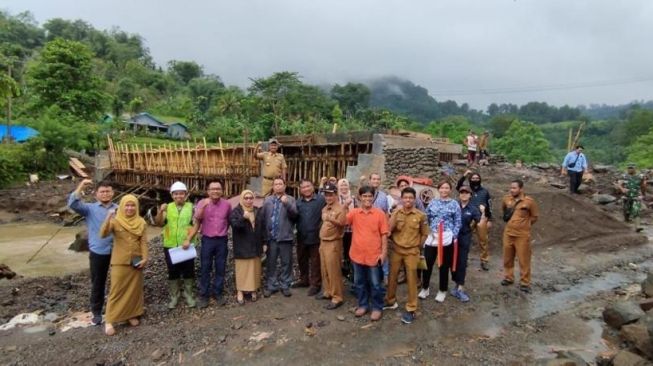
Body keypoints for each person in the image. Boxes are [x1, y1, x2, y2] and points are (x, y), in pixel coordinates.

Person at [67, 179, 118, 326]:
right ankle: (96, 312)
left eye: (108, 191)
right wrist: (81, 185)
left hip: (117, 251)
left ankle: (118, 309)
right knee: (98, 282)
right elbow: (72, 204)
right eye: (102, 191)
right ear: (96, 194)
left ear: (113, 193)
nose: (105, 194)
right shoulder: (90, 209)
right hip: (98, 251)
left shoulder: (119, 208)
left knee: (118, 281)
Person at [99, 195, 148, 336]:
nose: (130, 208)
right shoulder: (116, 221)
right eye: (127, 205)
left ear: (136, 207)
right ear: (121, 206)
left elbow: (143, 242)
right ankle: (109, 320)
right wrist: (108, 218)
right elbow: (102, 234)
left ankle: (130, 315)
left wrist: (145, 258)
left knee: (134, 290)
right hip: (119, 261)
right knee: (116, 290)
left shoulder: (141, 222)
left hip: (136, 261)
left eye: (132, 205)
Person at [384, 187, 429, 324]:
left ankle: (411, 308)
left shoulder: (421, 215)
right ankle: (391, 301)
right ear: (401, 199)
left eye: (410, 198)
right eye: (405, 198)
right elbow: (389, 230)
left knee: (411, 280)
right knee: (392, 277)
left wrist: (417, 247)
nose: (408, 200)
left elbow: (424, 234)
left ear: (414, 199)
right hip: (396, 250)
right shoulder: (397, 213)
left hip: (411, 252)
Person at [347, 186, 389, 321]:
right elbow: (342, 222)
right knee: (359, 282)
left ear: (373, 197)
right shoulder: (354, 213)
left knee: (376, 284)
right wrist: (344, 206)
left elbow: (384, 235)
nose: (367, 199)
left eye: (369, 196)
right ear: (360, 198)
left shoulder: (380, 214)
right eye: (364, 196)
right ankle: (363, 305)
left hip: (374, 256)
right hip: (357, 255)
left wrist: (384, 253)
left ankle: (377, 307)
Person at [154, 181, 196, 309]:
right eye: (176, 194)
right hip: (170, 244)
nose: (179, 196)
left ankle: (189, 295)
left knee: (189, 270)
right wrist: (160, 212)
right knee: (173, 271)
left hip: (187, 244)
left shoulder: (192, 207)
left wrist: (188, 239)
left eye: (181, 193)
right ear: (172, 195)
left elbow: (196, 225)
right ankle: (174, 296)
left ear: (186, 194)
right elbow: (159, 223)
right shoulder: (167, 207)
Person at [189, 181, 232, 308]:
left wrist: (223, 231)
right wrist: (203, 207)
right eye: (212, 189)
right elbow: (197, 219)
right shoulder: (202, 202)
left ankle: (218, 293)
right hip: (207, 239)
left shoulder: (227, 204)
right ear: (208, 191)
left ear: (222, 191)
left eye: (218, 189)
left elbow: (229, 221)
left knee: (221, 267)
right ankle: (204, 294)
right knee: (205, 267)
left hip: (222, 240)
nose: (215, 191)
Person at [421, 181, 462, 303]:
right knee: (427, 263)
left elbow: (458, 221)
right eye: (442, 187)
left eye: (447, 188)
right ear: (438, 189)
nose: (444, 190)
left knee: (443, 265)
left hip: (446, 237)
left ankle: (442, 290)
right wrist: (428, 231)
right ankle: (425, 288)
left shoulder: (454, 204)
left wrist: (453, 235)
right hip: (433, 236)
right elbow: (427, 217)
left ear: (450, 190)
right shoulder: (433, 202)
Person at [261, 177, 298, 297]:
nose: (278, 186)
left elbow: (295, 216)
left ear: (284, 186)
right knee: (271, 263)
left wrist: (286, 203)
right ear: (273, 187)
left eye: (280, 184)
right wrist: (264, 239)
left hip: (285, 237)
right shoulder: (267, 200)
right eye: (275, 184)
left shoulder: (291, 199)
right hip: (271, 237)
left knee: (286, 263)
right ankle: (272, 286)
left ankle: (285, 285)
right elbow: (263, 219)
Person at [501, 179, 539, 293]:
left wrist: (525, 225)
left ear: (521, 189)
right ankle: (508, 277)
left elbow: (535, 216)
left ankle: (525, 282)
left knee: (524, 259)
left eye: (514, 188)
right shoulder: (506, 199)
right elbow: (504, 211)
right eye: (511, 188)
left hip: (522, 235)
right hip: (508, 233)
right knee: (507, 258)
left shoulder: (529, 202)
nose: (511, 190)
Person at [229, 190, 265, 304]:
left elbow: (262, 228)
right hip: (242, 246)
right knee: (242, 270)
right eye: (246, 198)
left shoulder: (257, 210)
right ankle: (240, 291)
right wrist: (243, 218)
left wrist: (264, 243)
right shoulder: (236, 211)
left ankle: (253, 289)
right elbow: (235, 226)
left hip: (255, 245)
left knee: (255, 269)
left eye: (250, 198)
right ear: (242, 199)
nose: (248, 200)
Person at [456, 170, 493, 271]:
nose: (475, 180)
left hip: (481, 218)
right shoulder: (467, 190)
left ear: (480, 179)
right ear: (470, 180)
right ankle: (464, 259)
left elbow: (489, 205)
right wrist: (464, 175)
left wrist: (490, 219)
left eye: (477, 179)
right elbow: (458, 186)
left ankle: (484, 260)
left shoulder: (485, 191)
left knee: (483, 240)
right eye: (473, 178)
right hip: (469, 218)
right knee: (465, 239)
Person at [319, 182, 347, 309]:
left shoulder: (340, 209)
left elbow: (342, 223)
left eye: (331, 195)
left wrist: (330, 219)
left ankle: (337, 297)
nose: (328, 197)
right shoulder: (325, 208)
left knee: (333, 270)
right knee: (324, 268)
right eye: (326, 195)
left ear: (336, 195)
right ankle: (328, 291)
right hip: (323, 242)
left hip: (333, 243)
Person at [295, 179, 326, 296]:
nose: (306, 189)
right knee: (301, 259)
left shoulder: (321, 200)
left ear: (313, 187)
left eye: (308, 186)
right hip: (301, 235)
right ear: (300, 190)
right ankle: (304, 280)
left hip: (316, 236)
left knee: (315, 261)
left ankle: (315, 284)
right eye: (303, 187)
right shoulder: (298, 202)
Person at [452, 185, 481, 303]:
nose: (463, 194)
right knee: (452, 262)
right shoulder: (454, 205)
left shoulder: (473, 209)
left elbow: (479, 221)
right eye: (462, 192)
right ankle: (455, 285)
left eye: (466, 193)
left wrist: (482, 215)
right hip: (452, 238)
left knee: (462, 262)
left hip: (464, 238)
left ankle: (460, 288)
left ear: (470, 195)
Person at [618, 164, 647, 232]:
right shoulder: (624, 176)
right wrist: (622, 189)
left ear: (635, 169)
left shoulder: (640, 176)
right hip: (626, 196)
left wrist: (643, 194)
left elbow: (643, 186)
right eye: (628, 168)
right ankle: (626, 221)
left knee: (636, 210)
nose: (630, 169)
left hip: (636, 196)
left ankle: (637, 226)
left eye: (631, 168)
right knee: (626, 210)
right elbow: (619, 184)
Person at [337, 178, 356, 281]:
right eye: (341, 186)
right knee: (341, 251)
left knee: (350, 250)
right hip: (340, 229)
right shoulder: (336, 198)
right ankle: (342, 271)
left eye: (345, 186)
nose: (344, 188)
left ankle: (350, 272)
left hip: (351, 229)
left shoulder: (353, 198)